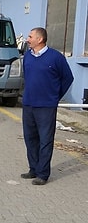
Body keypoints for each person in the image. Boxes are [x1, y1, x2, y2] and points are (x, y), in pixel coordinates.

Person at [20, 27, 74, 185]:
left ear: (40, 39)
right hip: (29, 104)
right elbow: (27, 76)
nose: (27, 39)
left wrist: (54, 97)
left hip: (46, 106)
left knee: (45, 140)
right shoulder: (28, 56)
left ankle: (43, 174)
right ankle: (33, 169)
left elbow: (68, 78)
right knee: (30, 138)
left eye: (30, 36)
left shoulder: (56, 58)